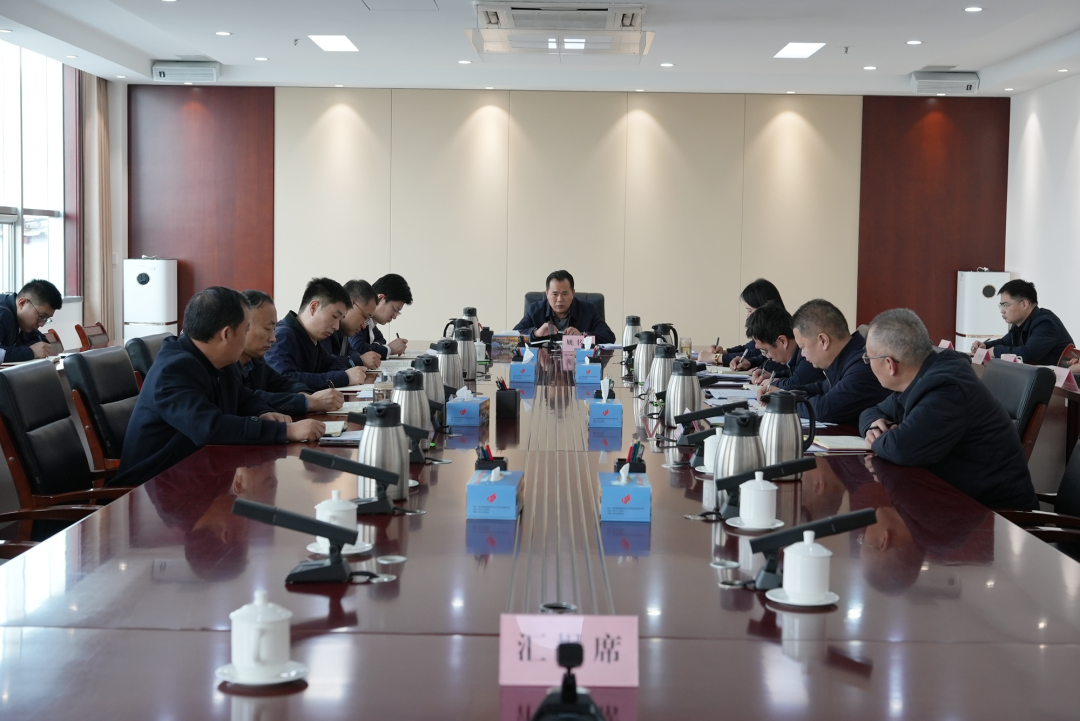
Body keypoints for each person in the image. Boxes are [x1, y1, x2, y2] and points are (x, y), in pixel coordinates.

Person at [109, 287, 324, 487]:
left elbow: (244, 397)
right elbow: (209, 427)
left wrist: (263, 412)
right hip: (148, 488)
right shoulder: (174, 370)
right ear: (226, 334)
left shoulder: (218, 361)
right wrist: (286, 431)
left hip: (196, 476)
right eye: (246, 329)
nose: (247, 337)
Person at [859, 309, 1037, 511]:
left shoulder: (946, 388)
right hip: (955, 501)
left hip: (995, 517)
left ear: (889, 364)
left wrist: (878, 439)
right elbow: (871, 412)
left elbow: (902, 449)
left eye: (868, 358)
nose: (868, 363)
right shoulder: (921, 375)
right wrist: (873, 427)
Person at [786, 299, 890, 426]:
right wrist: (783, 391)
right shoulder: (847, 357)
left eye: (802, 347)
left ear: (823, 341)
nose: (802, 354)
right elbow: (822, 388)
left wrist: (784, 401)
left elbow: (824, 410)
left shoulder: (864, 363)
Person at [238, 290, 344, 414]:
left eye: (273, 329)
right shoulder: (226, 366)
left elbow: (282, 382)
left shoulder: (256, 360)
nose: (273, 338)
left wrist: (303, 394)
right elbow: (247, 399)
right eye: (267, 328)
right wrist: (306, 402)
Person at [264, 278, 368, 390]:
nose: (337, 327)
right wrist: (343, 377)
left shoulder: (311, 339)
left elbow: (334, 363)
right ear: (314, 307)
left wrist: (344, 375)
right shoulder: (282, 336)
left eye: (340, 319)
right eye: (334, 316)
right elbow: (283, 380)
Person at [971, 279, 1073, 366]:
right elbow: (1005, 342)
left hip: (1055, 381)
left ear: (1024, 304)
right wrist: (985, 346)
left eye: (1005, 305)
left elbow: (1028, 354)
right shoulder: (1020, 323)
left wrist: (995, 351)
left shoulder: (1046, 323)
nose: (1002, 310)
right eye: (1001, 306)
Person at [744, 302, 824, 399]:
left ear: (782, 341)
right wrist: (772, 376)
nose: (766, 356)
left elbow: (795, 382)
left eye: (765, 351)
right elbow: (793, 375)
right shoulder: (796, 355)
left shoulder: (807, 356)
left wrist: (774, 383)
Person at [704, 279, 786, 372]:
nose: (747, 315)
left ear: (763, 309)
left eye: (750, 311)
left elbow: (754, 353)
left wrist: (715, 357)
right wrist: (724, 351)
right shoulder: (767, 328)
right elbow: (748, 348)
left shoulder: (779, 329)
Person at [513, 269, 616, 344]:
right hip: (545, 364)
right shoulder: (535, 310)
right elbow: (513, 337)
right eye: (554, 294)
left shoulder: (588, 310)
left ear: (573, 293)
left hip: (577, 364)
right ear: (547, 294)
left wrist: (582, 337)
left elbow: (609, 337)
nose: (559, 299)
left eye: (565, 294)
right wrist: (535, 333)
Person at [320, 279, 382, 370]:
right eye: (365, 317)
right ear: (350, 305)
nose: (364, 326)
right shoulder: (326, 328)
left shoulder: (344, 332)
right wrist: (360, 360)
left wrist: (359, 359)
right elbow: (324, 363)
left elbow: (352, 352)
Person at [351, 273, 412, 359]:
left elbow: (381, 341)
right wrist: (389, 349)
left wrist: (377, 347)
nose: (394, 317)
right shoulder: (358, 320)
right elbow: (358, 347)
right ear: (380, 298)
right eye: (395, 310)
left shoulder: (372, 325)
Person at [0, 279, 63, 361]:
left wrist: (17, 350)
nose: (42, 324)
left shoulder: (23, 322)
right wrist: (30, 352)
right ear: (22, 303)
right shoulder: (2, 314)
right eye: (41, 316)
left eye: (46, 319)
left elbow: (42, 343)